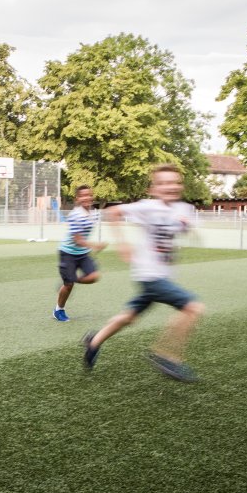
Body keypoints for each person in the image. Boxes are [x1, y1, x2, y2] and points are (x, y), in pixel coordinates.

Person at [81, 164, 205, 383]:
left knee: (129, 317)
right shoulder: (148, 206)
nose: (170, 187)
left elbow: (184, 230)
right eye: (164, 183)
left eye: (175, 182)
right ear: (154, 189)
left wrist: (188, 227)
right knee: (193, 308)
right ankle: (166, 355)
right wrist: (123, 243)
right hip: (149, 275)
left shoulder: (184, 209)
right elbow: (113, 212)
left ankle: (94, 341)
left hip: (162, 275)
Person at [53, 184, 107, 321]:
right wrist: (95, 245)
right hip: (67, 252)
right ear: (77, 199)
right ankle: (59, 310)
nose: (86, 197)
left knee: (94, 276)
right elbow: (77, 240)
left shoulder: (94, 213)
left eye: (88, 194)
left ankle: (69, 280)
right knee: (68, 285)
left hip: (82, 253)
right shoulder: (75, 215)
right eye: (82, 195)